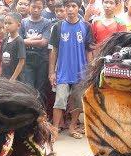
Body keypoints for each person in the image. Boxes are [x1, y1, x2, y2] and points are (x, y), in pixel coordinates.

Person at [49, 0, 93, 141]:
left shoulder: (86, 26)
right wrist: (51, 72)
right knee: (60, 100)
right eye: (67, 6)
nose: (70, 9)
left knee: (77, 101)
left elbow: (89, 50)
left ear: (79, 8)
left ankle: (73, 127)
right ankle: (55, 128)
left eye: (73, 6)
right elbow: (53, 51)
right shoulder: (58, 26)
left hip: (81, 71)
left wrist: (90, 70)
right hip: (62, 71)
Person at [20, 0, 52, 99]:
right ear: (29, 6)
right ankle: (29, 112)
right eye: (34, 7)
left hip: (42, 60)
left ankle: (40, 112)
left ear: (43, 8)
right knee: (28, 87)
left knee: (40, 88)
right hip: (27, 59)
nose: (36, 10)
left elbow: (44, 43)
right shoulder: (23, 22)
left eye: (39, 7)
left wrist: (25, 41)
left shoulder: (47, 22)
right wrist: (36, 38)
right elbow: (18, 41)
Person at [1, 12, 26, 81]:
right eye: (5, 23)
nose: (6, 25)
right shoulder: (5, 40)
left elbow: (21, 62)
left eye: (10, 23)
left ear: (18, 25)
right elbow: (2, 60)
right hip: (5, 76)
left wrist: (13, 78)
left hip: (16, 79)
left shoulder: (19, 41)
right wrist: (0, 75)